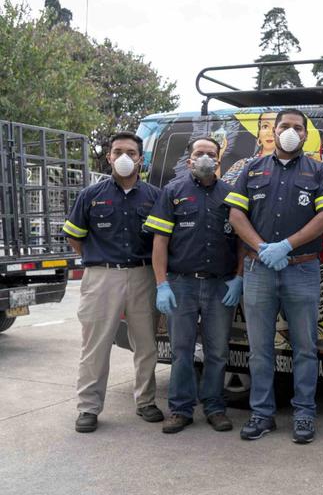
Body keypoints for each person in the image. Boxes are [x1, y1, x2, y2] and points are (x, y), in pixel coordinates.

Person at [224, 109, 323, 444]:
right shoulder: (252, 168)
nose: (291, 132)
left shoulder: (318, 171)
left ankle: (304, 414)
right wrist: (263, 248)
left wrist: (286, 246)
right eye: (284, 127)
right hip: (259, 269)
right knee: (260, 348)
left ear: (306, 135)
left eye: (297, 128)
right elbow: (235, 215)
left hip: (302, 268)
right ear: (273, 132)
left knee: (305, 347)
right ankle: (262, 414)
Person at [63, 132, 164, 432]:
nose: (124, 157)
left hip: (143, 275)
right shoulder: (90, 196)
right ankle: (88, 408)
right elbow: (74, 237)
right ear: (108, 157)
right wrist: (99, 261)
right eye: (118, 151)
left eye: (131, 152)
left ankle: (145, 401)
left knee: (146, 344)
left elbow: (162, 240)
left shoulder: (155, 197)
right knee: (95, 345)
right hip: (101, 277)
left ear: (141, 159)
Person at [145, 137, 243, 434]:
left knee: (217, 352)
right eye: (199, 153)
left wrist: (238, 278)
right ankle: (181, 409)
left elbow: (241, 241)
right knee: (182, 351)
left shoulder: (231, 195)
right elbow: (159, 243)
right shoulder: (172, 192)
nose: (205, 158)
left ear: (219, 161)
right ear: (189, 160)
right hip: (181, 285)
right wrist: (162, 284)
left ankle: (214, 407)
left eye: (210, 154)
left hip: (219, 286)